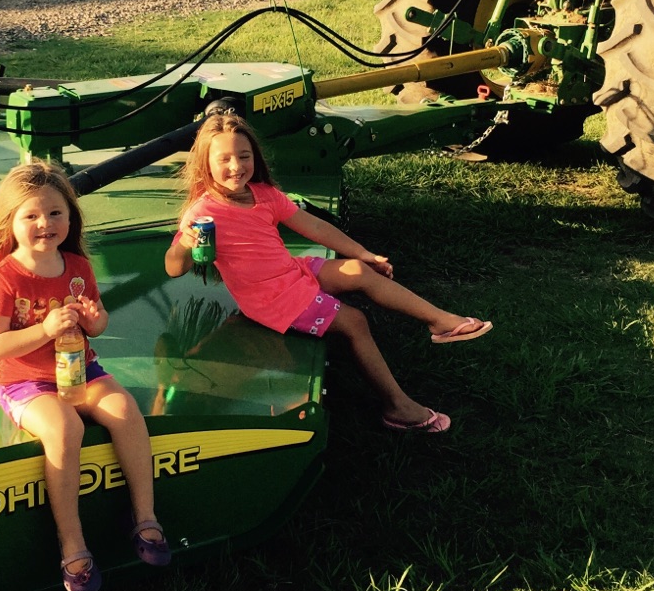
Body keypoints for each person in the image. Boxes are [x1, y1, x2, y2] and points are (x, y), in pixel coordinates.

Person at [164, 112, 492, 433]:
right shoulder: (203, 212)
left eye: (243, 155)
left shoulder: (263, 195)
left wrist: (364, 254)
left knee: (357, 270)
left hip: (289, 273)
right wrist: (185, 245)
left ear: (254, 156)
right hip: (270, 298)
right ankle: (398, 407)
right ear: (205, 164)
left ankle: (440, 321)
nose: (236, 166)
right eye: (224, 159)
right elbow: (174, 267)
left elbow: (316, 227)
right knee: (354, 322)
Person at [0, 159, 170, 591]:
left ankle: (145, 516)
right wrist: (43, 330)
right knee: (66, 428)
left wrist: (95, 319)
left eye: (55, 213)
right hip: (25, 382)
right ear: (11, 221)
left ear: (70, 215)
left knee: (124, 409)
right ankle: (72, 542)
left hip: (80, 368)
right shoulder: (5, 276)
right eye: (31, 215)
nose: (45, 223)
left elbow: (96, 326)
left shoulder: (77, 266)